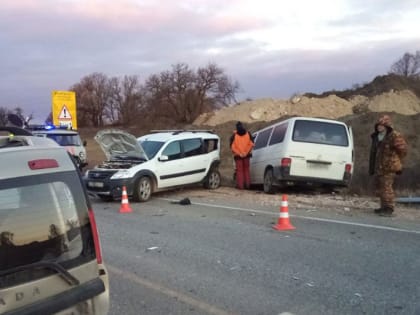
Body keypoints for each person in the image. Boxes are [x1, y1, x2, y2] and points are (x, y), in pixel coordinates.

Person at [369, 114, 408, 216]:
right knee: (381, 188)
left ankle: (389, 208)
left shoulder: (394, 135)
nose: (379, 127)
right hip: (380, 166)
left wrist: (396, 160)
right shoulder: (377, 137)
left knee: (387, 188)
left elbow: (403, 150)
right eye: (378, 125)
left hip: (389, 167)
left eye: (381, 125)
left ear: (386, 126)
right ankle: (383, 207)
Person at [230, 121, 254, 189]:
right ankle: (248, 185)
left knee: (239, 171)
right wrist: (245, 152)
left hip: (238, 156)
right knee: (246, 170)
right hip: (247, 156)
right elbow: (251, 144)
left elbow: (232, 147)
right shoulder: (248, 134)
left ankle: (241, 186)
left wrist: (239, 153)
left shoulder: (234, 135)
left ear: (236, 128)